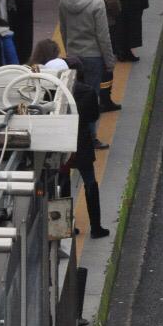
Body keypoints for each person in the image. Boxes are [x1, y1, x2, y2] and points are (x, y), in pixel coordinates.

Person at [58, 0, 116, 134]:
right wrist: (109, 60)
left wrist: (69, 50)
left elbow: (63, 29)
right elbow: (103, 36)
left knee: (74, 98)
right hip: (93, 57)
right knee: (92, 98)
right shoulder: (97, 3)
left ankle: (75, 136)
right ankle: (91, 137)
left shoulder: (64, 0)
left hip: (73, 55)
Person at [68, 0, 121, 113]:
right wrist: (115, 12)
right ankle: (104, 99)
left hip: (78, 27)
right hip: (103, 19)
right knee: (106, 67)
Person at [65, 55, 108, 239]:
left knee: (63, 183)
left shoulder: (59, 90)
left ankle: (67, 226)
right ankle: (96, 227)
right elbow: (93, 117)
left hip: (63, 142)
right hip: (82, 142)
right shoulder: (88, 92)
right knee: (90, 182)